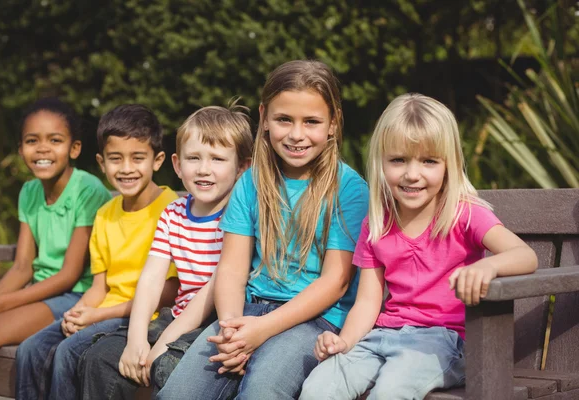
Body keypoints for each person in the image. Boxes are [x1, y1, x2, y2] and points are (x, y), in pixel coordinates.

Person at [299, 93, 539, 400]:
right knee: (318, 388)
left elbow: (525, 256)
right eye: (398, 160)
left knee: (390, 391)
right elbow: (368, 303)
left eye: (428, 161)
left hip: (446, 343)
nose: (413, 174)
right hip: (382, 337)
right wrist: (344, 343)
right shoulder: (376, 223)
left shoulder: (464, 214)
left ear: (448, 165)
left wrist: (487, 265)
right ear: (380, 162)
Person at [157, 60, 369, 400]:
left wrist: (261, 331)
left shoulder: (349, 189)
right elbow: (231, 269)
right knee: (177, 393)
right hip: (247, 313)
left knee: (262, 392)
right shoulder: (251, 183)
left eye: (311, 122)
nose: (296, 134)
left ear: (333, 123)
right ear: (264, 118)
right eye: (284, 119)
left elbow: (336, 281)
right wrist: (231, 331)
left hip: (315, 320)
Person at [78, 103, 253, 399]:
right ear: (177, 164)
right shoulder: (173, 214)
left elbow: (212, 291)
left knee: (165, 365)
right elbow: (151, 278)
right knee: (100, 358)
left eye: (218, 159)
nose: (203, 169)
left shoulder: (240, 215)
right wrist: (136, 339)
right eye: (193, 158)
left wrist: (164, 343)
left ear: (242, 167)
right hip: (176, 316)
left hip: (214, 322)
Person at [15, 104, 179, 400]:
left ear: (157, 161)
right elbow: (99, 285)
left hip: (147, 315)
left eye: (137, 158)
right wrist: (78, 313)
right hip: (105, 311)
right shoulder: (104, 214)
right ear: (102, 163)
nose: (126, 168)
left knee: (68, 353)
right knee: (32, 348)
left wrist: (96, 315)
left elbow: (167, 292)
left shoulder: (170, 209)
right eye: (116, 159)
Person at [0, 98, 111, 376]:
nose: (42, 148)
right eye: (32, 140)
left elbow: (70, 274)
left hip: (76, 295)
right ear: (20, 149)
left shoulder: (87, 190)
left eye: (54, 140)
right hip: (40, 290)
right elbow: (22, 266)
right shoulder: (29, 191)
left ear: (74, 148)